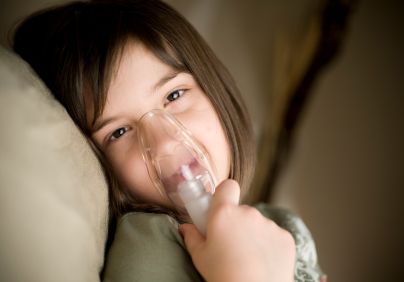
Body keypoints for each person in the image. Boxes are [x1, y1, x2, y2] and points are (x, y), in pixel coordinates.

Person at [13, 0, 326, 281]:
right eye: (119, 132)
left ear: (215, 89)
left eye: (174, 95)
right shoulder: (148, 248)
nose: (164, 144)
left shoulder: (280, 224)